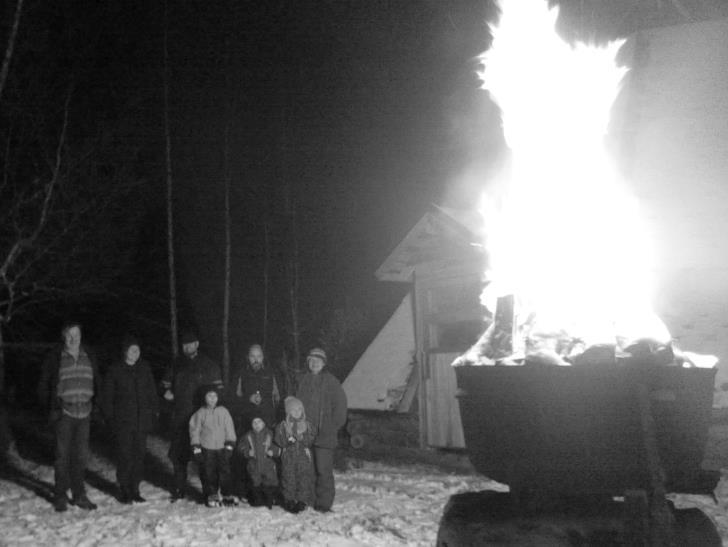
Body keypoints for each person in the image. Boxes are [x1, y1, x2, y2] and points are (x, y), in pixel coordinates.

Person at [37, 321, 101, 512]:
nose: (73, 339)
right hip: (64, 413)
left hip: (85, 413)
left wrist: (97, 404)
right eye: (69, 335)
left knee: (80, 457)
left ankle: (79, 495)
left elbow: (98, 380)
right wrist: (51, 408)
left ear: (81, 336)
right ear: (63, 337)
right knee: (62, 456)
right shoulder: (55, 357)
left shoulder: (88, 355)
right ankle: (60, 495)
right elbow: (44, 384)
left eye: (77, 335)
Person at [161, 330, 223, 501]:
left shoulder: (209, 365)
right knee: (179, 456)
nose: (188, 347)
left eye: (191, 343)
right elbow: (165, 385)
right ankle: (179, 489)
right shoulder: (175, 364)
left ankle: (208, 491)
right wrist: (167, 393)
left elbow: (218, 391)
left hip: (202, 417)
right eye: (185, 344)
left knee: (204, 455)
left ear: (197, 345)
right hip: (181, 416)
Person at [101, 335, 159, 504]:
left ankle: (135, 489)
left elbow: (151, 392)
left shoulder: (144, 368)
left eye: (137, 350)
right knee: (125, 456)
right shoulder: (115, 369)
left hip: (141, 421)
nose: (135, 353)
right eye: (132, 349)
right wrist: (110, 418)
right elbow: (107, 396)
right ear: (125, 351)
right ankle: (124, 488)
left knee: (139, 457)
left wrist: (154, 411)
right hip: (123, 422)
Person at [296, 347, 347, 513]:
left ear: (324, 363)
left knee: (323, 469)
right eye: (311, 360)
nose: (314, 363)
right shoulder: (303, 381)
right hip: (306, 433)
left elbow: (340, 407)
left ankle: (324, 504)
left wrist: (332, 427)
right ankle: (309, 499)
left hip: (325, 434)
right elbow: (295, 406)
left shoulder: (331, 381)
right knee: (307, 469)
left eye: (318, 361)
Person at [189, 385, 236, 507]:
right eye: (209, 396)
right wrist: (196, 447)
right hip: (207, 448)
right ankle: (211, 495)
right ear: (204, 398)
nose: (212, 398)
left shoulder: (224, 411)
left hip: (222, 448)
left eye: (215, 396)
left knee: (225, 473)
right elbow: (195, 430)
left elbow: (229, 428)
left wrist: (230, 444)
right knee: (208, 473)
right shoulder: (200, 413)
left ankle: (227, 495)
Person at [274, 396, 315, 514]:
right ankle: (289, 500)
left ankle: (302, 501)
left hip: (303, 456)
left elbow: (310, 440)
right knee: (288, 478)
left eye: (299, 409)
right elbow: (279, 441)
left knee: (303, 478)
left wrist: (303, 438)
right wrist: (288, 439)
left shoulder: (307, 425)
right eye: (294, 410)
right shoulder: (283, 426)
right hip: (289, 457)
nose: (297, 412)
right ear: (288, 411)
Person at [228, 344, 280, 434]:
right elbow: (234, 399)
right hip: (247, 421)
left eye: (259, 356)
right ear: (248, 357)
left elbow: (278, 398)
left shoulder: (271, 373)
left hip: (267, 420)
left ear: (263, 357)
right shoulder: (241, 374)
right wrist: (248, 398)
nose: (256, 360)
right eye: (252, 356)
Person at [241, 415, 280, 508]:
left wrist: (273, 451)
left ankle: (270, 499)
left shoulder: (270, 434)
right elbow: (241, 446)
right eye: (254, 423)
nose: (257, 424)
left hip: (267, 464)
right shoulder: (248, 435)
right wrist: (247, 452)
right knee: (255, 482)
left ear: (264, 423)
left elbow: (277, 446)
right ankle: (257, 500)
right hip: (254, 464)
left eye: (259, 422)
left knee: (270, 481)